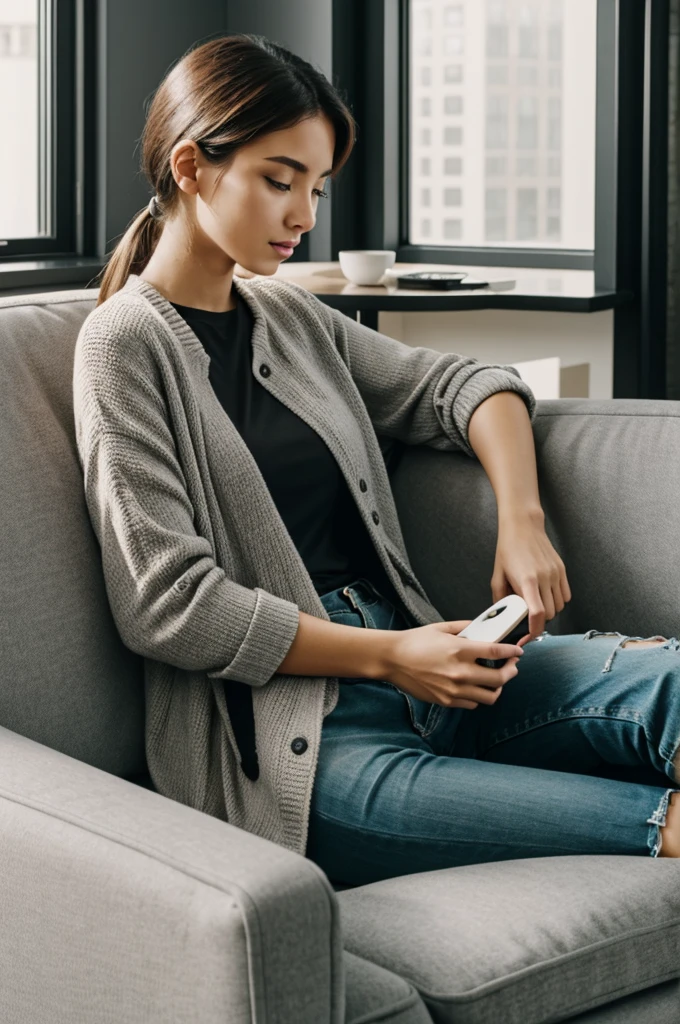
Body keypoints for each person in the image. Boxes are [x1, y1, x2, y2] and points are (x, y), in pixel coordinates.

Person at [73, 33, 680, 890]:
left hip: (440, 664)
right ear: (191, 166)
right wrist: (389, 658)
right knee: (660, 821)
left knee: (670, 686)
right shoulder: (122, 347)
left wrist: (523, 522)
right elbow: (168, 606)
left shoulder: (287, 317)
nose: (305, 216)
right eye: (279, 180)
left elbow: (469, 386)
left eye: (316, 188)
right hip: (306, 751)